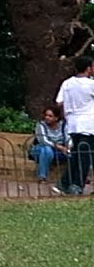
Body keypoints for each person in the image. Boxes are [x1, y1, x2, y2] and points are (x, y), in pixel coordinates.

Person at [54, 57, 94, 196]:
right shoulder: (90, 84)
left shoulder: (67, 83)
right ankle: (77, 185)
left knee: (76, 154)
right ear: (88, 68)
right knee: (84, 156)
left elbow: (59, 102)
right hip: (88, 125)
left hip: (73, 124)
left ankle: (65, 183)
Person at [31, 105, 69, 185]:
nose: (47, 117)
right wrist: (59, 147)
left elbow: (68, 137)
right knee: (46, 150)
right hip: (40, 149)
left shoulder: (63, 125)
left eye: (50, 116)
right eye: (46, 115)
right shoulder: (41, 125)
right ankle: (42, 177)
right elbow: (43, 141)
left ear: (56, 118)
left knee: (76, 151)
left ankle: (79, 176)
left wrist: (68, 146)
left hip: (59, 150)